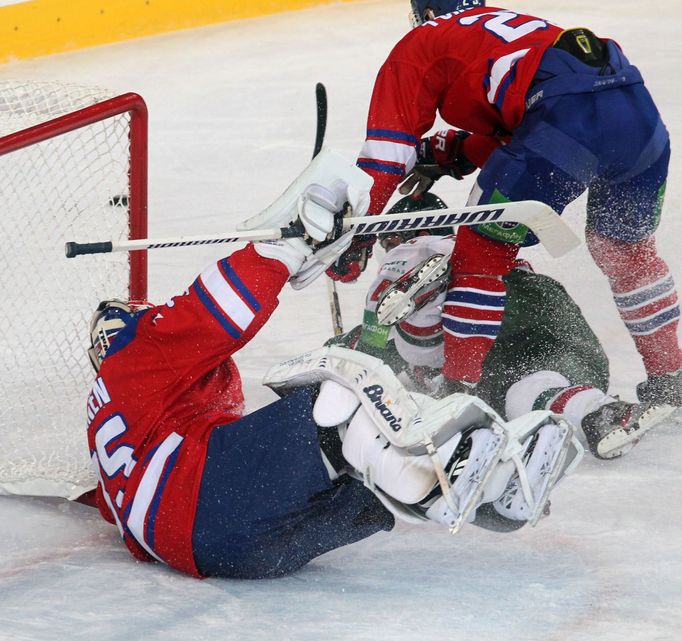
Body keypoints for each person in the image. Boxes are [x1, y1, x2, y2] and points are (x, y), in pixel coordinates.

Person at [85, 167, 581, 579]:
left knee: (359, 466)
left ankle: (494, 492)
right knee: (333, 403)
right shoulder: (134, 355)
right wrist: (282, 252)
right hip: (208, 504)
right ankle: (466, 485)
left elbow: (114, 502)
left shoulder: (125, 420)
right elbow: (211, 312)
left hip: (243, 554)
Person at [327, 0, 681, 406]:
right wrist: (459, 151)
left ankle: (459, 394)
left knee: (479, 253)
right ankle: (670, 378)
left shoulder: (421, 42)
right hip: (639, 118)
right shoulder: (517, 24)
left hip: (565, 117)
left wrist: (355, 235)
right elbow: (551, 115)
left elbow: (384, 158)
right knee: (625, 252)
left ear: (425, 12)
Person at [328, 194, 675, 461]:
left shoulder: (402, 286)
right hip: (552, 327)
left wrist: (339, 352)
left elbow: (371, 352)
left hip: (487, 311)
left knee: (423, 349)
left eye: (389, 243)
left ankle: (425, 287)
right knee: (528, 390)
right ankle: (603, 414)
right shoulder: (481, 248)